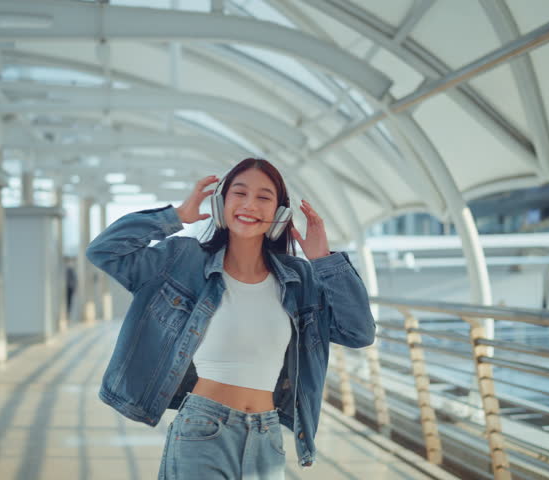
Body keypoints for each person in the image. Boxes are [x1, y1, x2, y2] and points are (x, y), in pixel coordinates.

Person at [86, 158, 375, 478]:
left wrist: (323, 261)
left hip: (267, 435)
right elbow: (105, 251)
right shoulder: (184, 259)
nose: (250, 204)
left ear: (279, 213)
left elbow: (358, 332)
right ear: (221, 202)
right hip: (203, 428)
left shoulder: (298, 279)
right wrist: (175, 217)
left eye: (264, 197)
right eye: (239, 193)